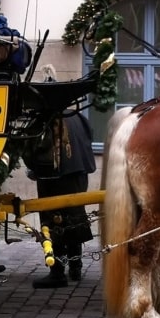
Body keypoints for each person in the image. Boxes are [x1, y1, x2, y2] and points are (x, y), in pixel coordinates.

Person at [25, 109, 96, 288]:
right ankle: (75, 267)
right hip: (79, 172)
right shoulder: (76, 115)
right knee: (75, 217)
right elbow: (89, 136)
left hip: (54, 177)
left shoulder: (46, 118)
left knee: (54, 221)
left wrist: (32, 167)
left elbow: (35, 149)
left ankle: (57, 272)